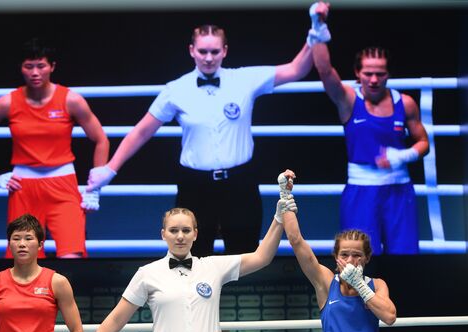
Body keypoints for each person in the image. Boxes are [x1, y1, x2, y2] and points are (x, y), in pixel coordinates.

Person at [84, 15, 328, 256]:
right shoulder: (176, 90)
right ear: (192, 51)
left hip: (239, 183)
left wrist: (315, 31)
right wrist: (110, 169)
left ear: (224, 51)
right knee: (194, 258)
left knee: (244, 256)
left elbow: (297, 70)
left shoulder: (243, 79)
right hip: (194, 186)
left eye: (214, 51)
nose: (209, 58)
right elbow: (141, 131)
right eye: (203, 51)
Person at [65, 176, 298, 332]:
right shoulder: (147, 274)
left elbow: (262, 257)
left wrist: (279, 216)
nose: (180, 236)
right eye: (174, 230)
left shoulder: (213, 266)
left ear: (196, 234)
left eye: (186, 230)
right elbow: (116, 319)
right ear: (163, 234)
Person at [0, 38, 109, 258]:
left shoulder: (71, 100)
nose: (35, 72)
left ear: (52, 67)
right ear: (21, 68)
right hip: (23, 189)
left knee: (72, 256)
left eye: (41, 66)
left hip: (63, 186)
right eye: (28, 66)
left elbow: (101, 140)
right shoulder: (7, 102)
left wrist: (96, 187)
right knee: (23, 261)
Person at [309, 4, 429, 254]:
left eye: (380, 74)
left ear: (388, 74)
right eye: (368, 73)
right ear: (357, 73)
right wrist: (318, 27)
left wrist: (403, 155)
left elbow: (423, 142)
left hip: (399, 190)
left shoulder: (405, 103)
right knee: (358, 261)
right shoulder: (348, 100)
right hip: (360, 191)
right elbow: (324, 70)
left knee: (405, 257)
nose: (374, 79)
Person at [280, 169, 396, 332]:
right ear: (336, 257)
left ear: (367, 258)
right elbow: (296, 241)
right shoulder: (325, 281)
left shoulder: (377, 284)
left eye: (356, 255)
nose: (350, 261)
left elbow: (389, 316)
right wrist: (285, 195)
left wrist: (360, 285)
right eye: (344, 255)